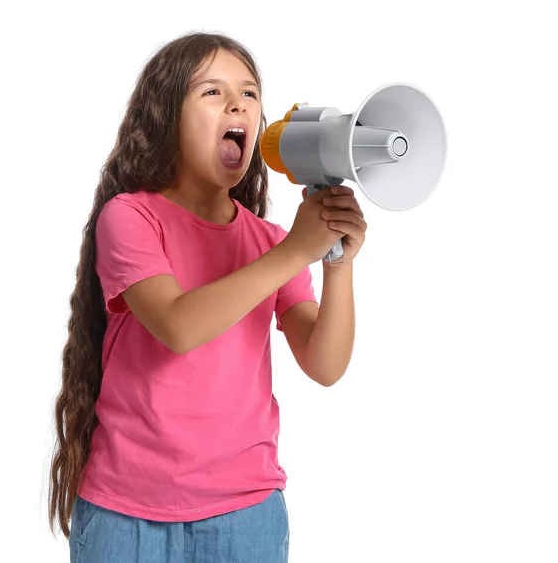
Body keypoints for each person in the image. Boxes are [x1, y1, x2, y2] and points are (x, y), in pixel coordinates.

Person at [48, 30, 366, 563]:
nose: (237, 102)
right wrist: (296, 250)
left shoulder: (267, 244)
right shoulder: (131, 218)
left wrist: (337, 262)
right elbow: (179, 325)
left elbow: (325, 362)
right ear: (166, 119)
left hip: (245, 518)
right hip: (127, 518)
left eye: (249, 92)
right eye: (212, 92)